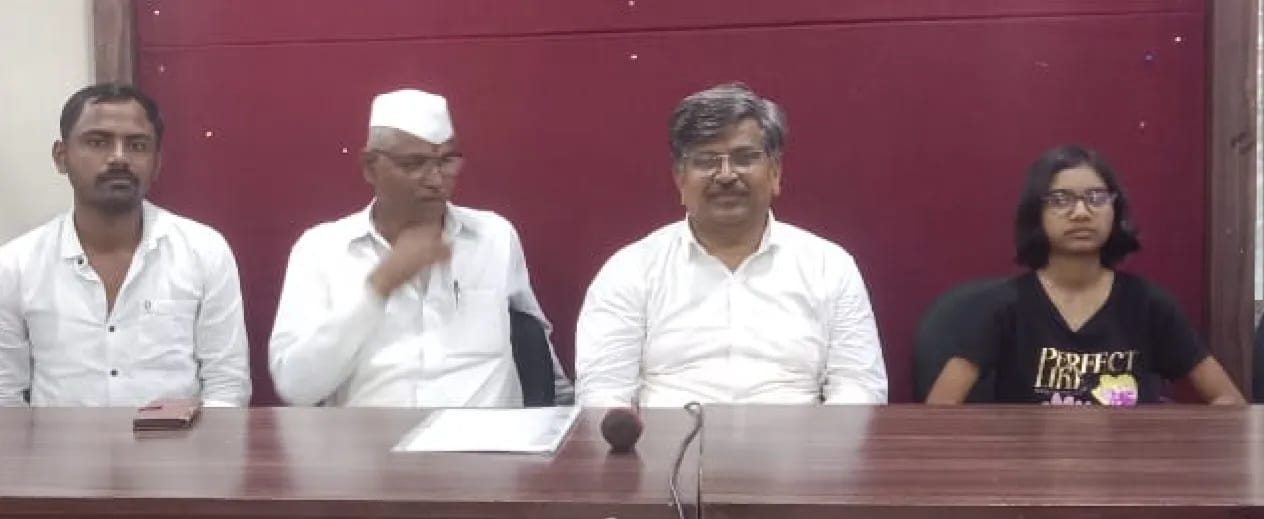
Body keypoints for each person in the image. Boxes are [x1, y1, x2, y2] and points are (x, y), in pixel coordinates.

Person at [575, 82, 888, 407]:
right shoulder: (630, 270)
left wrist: (823, 441)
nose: (726, 175)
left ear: (775, 172)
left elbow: (860, 388)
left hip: (800, 438)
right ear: (680, 179)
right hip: (669, 439)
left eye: (745, 158)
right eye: (706, 161)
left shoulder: (828, 266)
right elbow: (602, 396)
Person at [269, 88, 570, 407]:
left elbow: (536, 348)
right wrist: (380, 285)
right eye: (414, 163)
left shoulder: (494, 237)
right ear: (370, 166)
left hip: (488, 435)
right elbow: (297, 387)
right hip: (373, 437)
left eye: (446, 161)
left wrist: (566, 416)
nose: (436, 180)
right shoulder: (321, 250)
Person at [926, 144, 1245, 405]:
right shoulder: (1004, 307)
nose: (1081, 213)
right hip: (1029, 462)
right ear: (1036, 213)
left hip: (1127, 462)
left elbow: (1228, 400)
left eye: (1096, 198)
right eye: (1061, 200)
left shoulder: (1149, 304)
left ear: (1114, 211)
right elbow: (941, 406)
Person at [0, 83, 251, 406]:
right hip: (58, 441)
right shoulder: (15, 265)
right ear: (61, 157)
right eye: (98, 142)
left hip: (180, 440)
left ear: (157, 162)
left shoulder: (204, 251)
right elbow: (4, 394)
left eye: (137, 145)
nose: (119, 158)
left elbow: (227, 386)